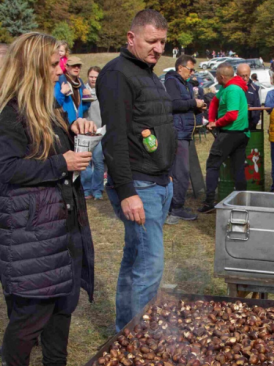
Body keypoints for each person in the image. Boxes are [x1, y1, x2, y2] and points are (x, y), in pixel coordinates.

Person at [0, 32, 96, 366]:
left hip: (62, 221)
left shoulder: (49, 106)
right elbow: (6, 169)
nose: (63, 63)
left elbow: (54, 144)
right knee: (31, 314)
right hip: (31, 231)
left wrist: (77, 129)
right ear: (36, 62)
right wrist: (62, 163)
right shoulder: (12, 112)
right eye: (57, 57)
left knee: (63, 302)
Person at [97, 10, 176, 335]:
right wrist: (127, 191)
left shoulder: (147, 72)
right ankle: (137, 343)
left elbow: (153, 121)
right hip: (138, 186)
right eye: (151, 41)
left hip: (157, 180)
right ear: (131, 38)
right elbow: (114, 139)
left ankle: (123, 334)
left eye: (162, 42)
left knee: (135, 260)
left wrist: (165, 172)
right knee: (149, 265)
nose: (158, 48)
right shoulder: (118, 75)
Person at [198, 62, 250, 213]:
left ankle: (209, 202)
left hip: (231, 133)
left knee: (212, 165)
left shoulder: (232, 89)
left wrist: (216, 123)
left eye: (216, 75)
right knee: (238, 167)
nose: (215, 77)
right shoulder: (227, 87)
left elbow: (232, 115)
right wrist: (211, 118)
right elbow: (214, 101)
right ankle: (242, 202)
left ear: (221, 76)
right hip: (240, 134)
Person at [163, 54, 205, 223]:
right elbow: (173, 104)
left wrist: (196, 109)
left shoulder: (183, 83)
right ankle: (176, 208)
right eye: (190, 69)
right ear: (180, 68)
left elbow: (183, 106)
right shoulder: (172, 82)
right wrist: (194, 104)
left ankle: (175, 206)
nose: (192, 73)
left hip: (184, 131)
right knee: (181, 171)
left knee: (180, 171)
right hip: (178, 132)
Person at [81, 65, 105, 200]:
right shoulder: (83, 91)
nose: (93, 79)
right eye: (91, 76)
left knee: (98, 162)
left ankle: (97, 190)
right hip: (85, 133)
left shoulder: (104, 92)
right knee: (86, 163)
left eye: (96, 77)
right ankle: (86, 190)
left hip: (100, 132)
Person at [55, 56, 91, 124]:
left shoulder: (80, 85)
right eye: (73, 65)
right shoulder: (60, 84)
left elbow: (80, 108)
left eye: (78, 66)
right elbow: (54, 104)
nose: (76, 68)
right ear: (66, 67)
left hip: (77, 125)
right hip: (65, 124)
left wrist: (88, 101)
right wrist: (62, 93)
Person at [236, 63, 261, 130]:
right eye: (242, 76)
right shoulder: (232, 88)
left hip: (251, 124)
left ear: (250, 74)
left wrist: (254, 122)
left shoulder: (255, 88)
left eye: (247, 75)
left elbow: (258, 107)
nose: (245, 78)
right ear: (237, 75)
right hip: (236, 125)